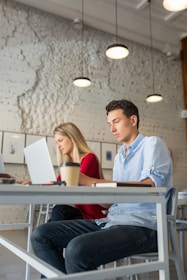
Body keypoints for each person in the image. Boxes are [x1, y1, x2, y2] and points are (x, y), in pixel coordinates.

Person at [31, 99, 173, 276]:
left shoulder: (152, 144)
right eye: (109, 124)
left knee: (76, 249)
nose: (112, 129)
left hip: (144, 227)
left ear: (133, 120)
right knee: (41, 235)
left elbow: (150, 187)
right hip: (112, 221)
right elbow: (109, 203)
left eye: (116, 121)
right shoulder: (120, 155)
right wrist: (83, 188)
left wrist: (88, 181)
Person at [50, 122, 107, 221]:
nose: (58, 146)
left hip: (92, 216)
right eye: (56, 142)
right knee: (51, 221)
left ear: (72, 139)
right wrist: (35, 183)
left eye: (60, 141)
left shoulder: (89, 158)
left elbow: (72, 184)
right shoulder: (69, 163)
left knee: (59, 211)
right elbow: (58, 185)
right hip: (80, 213)